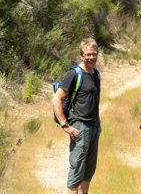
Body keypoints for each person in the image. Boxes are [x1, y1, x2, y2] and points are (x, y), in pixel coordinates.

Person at [52, 38, 101, 194]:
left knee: (89, 171)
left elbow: (95, 103)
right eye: (88, 54)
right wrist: (65, 125)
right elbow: (56, 98)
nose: (92, 57)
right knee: (77, 169)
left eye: (94, 54)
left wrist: (98, 126)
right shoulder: (74, 74)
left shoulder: (96, 74)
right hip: (79, 127)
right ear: (81, 55)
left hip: (94, 127)